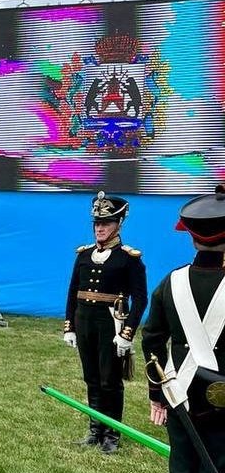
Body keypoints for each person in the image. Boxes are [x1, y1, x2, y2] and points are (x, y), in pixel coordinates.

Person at [141, 187, 225, 473]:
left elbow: (152, 339)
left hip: (180, 398)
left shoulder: (169, 284)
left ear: (190, 234)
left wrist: (159, 394)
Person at [63, 192, 147, 453]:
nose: (100, 228)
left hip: (111, 325)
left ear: (118, 224)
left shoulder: (129, 258)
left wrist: (128, 333)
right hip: (85, 321)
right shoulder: (84, 255)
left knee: (110, 380)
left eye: (106, 223)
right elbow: (73, 291)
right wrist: (70, 326)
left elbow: (140, 299)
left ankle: (112, 434)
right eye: (97, 223)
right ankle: (95, 429)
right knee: (91, 378)